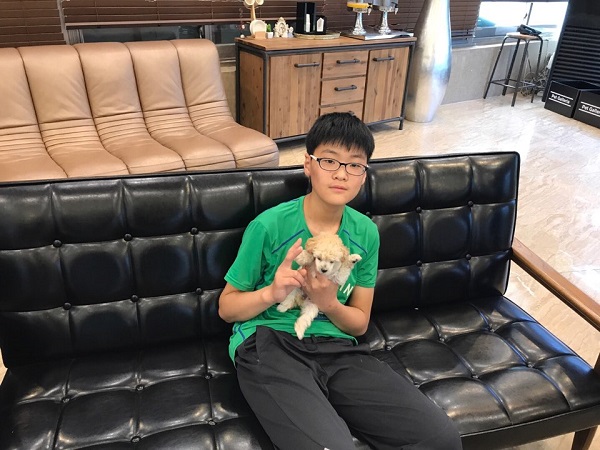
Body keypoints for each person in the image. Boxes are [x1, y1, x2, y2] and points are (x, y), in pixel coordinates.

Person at [218, 113, 462, 450]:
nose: (341, 173)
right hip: (270, 343)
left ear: (364, 175)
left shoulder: (365, 233)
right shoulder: (269, 226)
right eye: (329, 160)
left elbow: (359, 323)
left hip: (339, 348)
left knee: (440, 439)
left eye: (354, 165)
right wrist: (271, 293)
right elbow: (227, 309)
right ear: (308, 164)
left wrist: (329, 303)